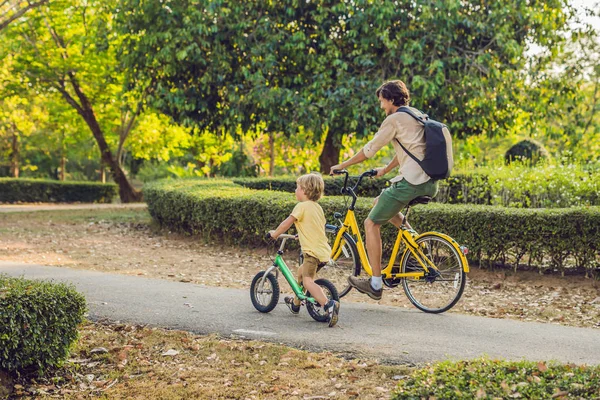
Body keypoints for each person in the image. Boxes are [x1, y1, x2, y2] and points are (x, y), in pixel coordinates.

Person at [329, 80, 439, 301]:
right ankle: (418, 250)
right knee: (381, 201)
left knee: (370, 223)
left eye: (382, 101)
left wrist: (342, 166)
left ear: (390, 99)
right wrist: (386, 169)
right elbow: (409, 151)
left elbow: (369, 150)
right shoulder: (416, 115)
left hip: (412, 181)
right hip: (429, 181)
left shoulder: (394, 119)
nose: (381, 107)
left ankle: (375, 283)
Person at [269, 173, 340, 327]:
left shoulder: (301, 206)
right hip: (324, 252)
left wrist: (275, 234)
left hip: (312, 253)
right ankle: (295, 304)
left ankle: (328, 305)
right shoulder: (317, 208)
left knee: (307, 281)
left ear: (305, 190)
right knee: (301, 273)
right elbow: (314, 227)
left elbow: (286, 223)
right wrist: (298, 234)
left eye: (297, 188)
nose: (295, 190)